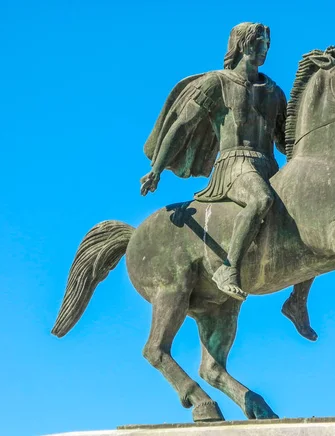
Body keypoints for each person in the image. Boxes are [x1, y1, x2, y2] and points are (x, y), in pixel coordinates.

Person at [140, 22, 286, 302]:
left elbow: (284, 141)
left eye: (267, 44)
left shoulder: (275, 92)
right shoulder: (217, 82)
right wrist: (157, 169)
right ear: (242, 45)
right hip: (235, 166)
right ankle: (228, 270)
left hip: (270, 167)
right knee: (260, 201)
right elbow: (183, 125)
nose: (264, 49)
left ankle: (297, 301)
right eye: (258, 42)